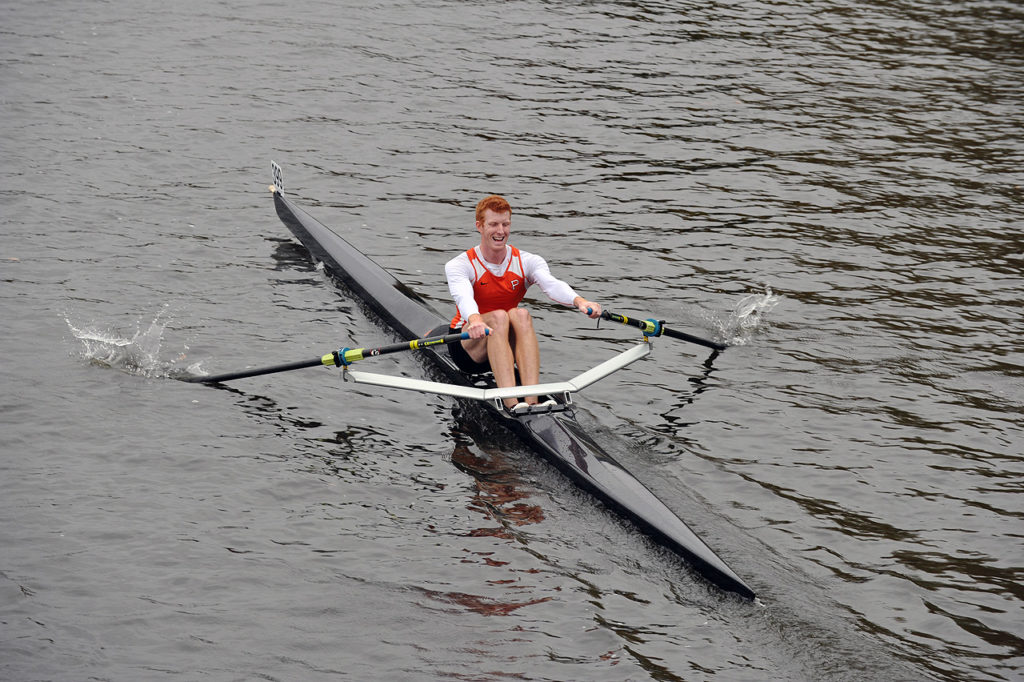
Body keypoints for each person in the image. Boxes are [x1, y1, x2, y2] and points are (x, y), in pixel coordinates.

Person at [445, 195, 602, 414]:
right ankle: (513, 406)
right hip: (469, 345)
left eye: (505, 224)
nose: (500, 231)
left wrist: (580, 301)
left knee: (521, 314)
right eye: (493, 224)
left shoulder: (527, 260)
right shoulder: (460, 264)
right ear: (479, 227)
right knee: (499, 316)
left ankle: (532, 402)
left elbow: (551, 284)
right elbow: (463, 297)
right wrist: (475, 319)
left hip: (502, 339)